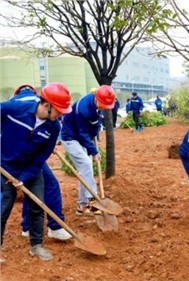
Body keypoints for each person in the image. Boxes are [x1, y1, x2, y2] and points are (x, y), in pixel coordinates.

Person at [1, 82, 72, 262]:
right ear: (47, 105)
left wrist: (24, 178)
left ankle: (36, 245)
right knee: (4, 206)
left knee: (37, 205)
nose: (61, 115)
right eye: (59, 111)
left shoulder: (54, 127)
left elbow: (42, 157)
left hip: (31, 168)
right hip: (5, 165)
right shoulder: (15, 108)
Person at [60, 85, 116, 216]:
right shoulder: (83, 109)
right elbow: (82, 132)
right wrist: (94, 151)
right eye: (103, 105)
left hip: (82, 138)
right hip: (70, 137)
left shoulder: (96, 103)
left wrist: (94, 139)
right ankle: (93, 200)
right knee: (86, 163)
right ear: (97, 98)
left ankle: (82, 207)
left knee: (85, 170)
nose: (104, 108)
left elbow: (92, 126)